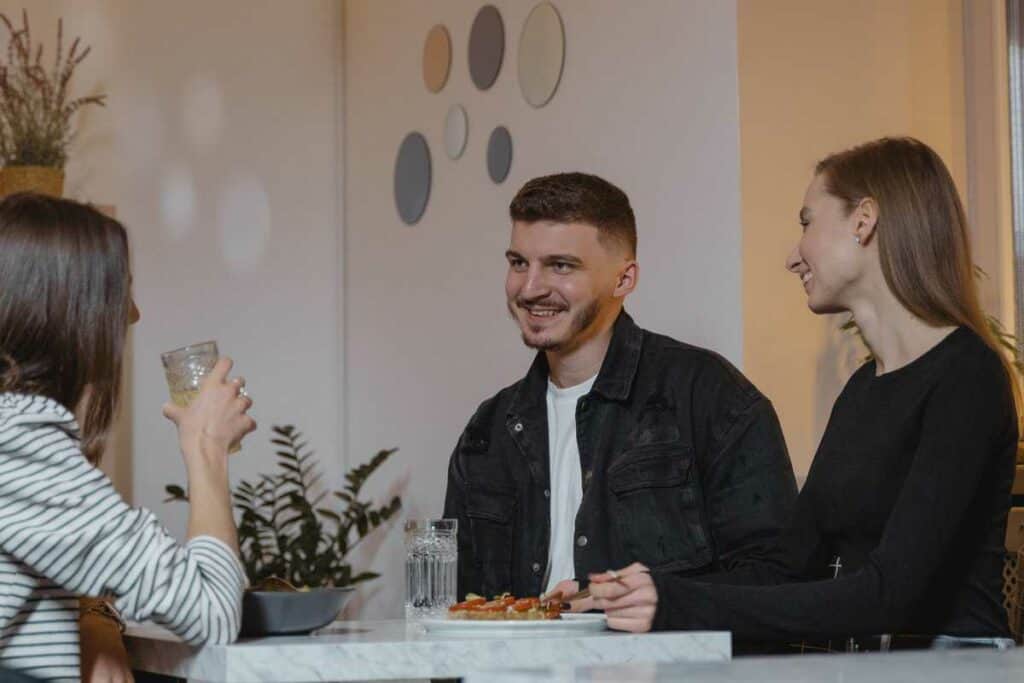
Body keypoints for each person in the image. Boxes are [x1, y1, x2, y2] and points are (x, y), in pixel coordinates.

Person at [586, 138, 1019, 651]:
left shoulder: (968, 377)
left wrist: (674, 605)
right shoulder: (862, 388)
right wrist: (629, 595)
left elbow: (889, 594)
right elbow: (790, 570)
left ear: (864, 220)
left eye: (807, 222)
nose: (794, 256)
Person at [442, 172, 798, 602]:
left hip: (657, 670)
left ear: (624, 279)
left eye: (560, 265)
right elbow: (456, 607)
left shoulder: (709, 396)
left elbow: (779, 579)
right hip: (514, 672)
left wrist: (653, 602)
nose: (530, 288)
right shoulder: (487, 431)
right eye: (519, 263)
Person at [0, 193, 257, 681]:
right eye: (120, 293)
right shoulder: (19, 443)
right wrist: (206, 449)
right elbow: (212, 613)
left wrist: (94, 618)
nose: (131, 315)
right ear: (68, 310)